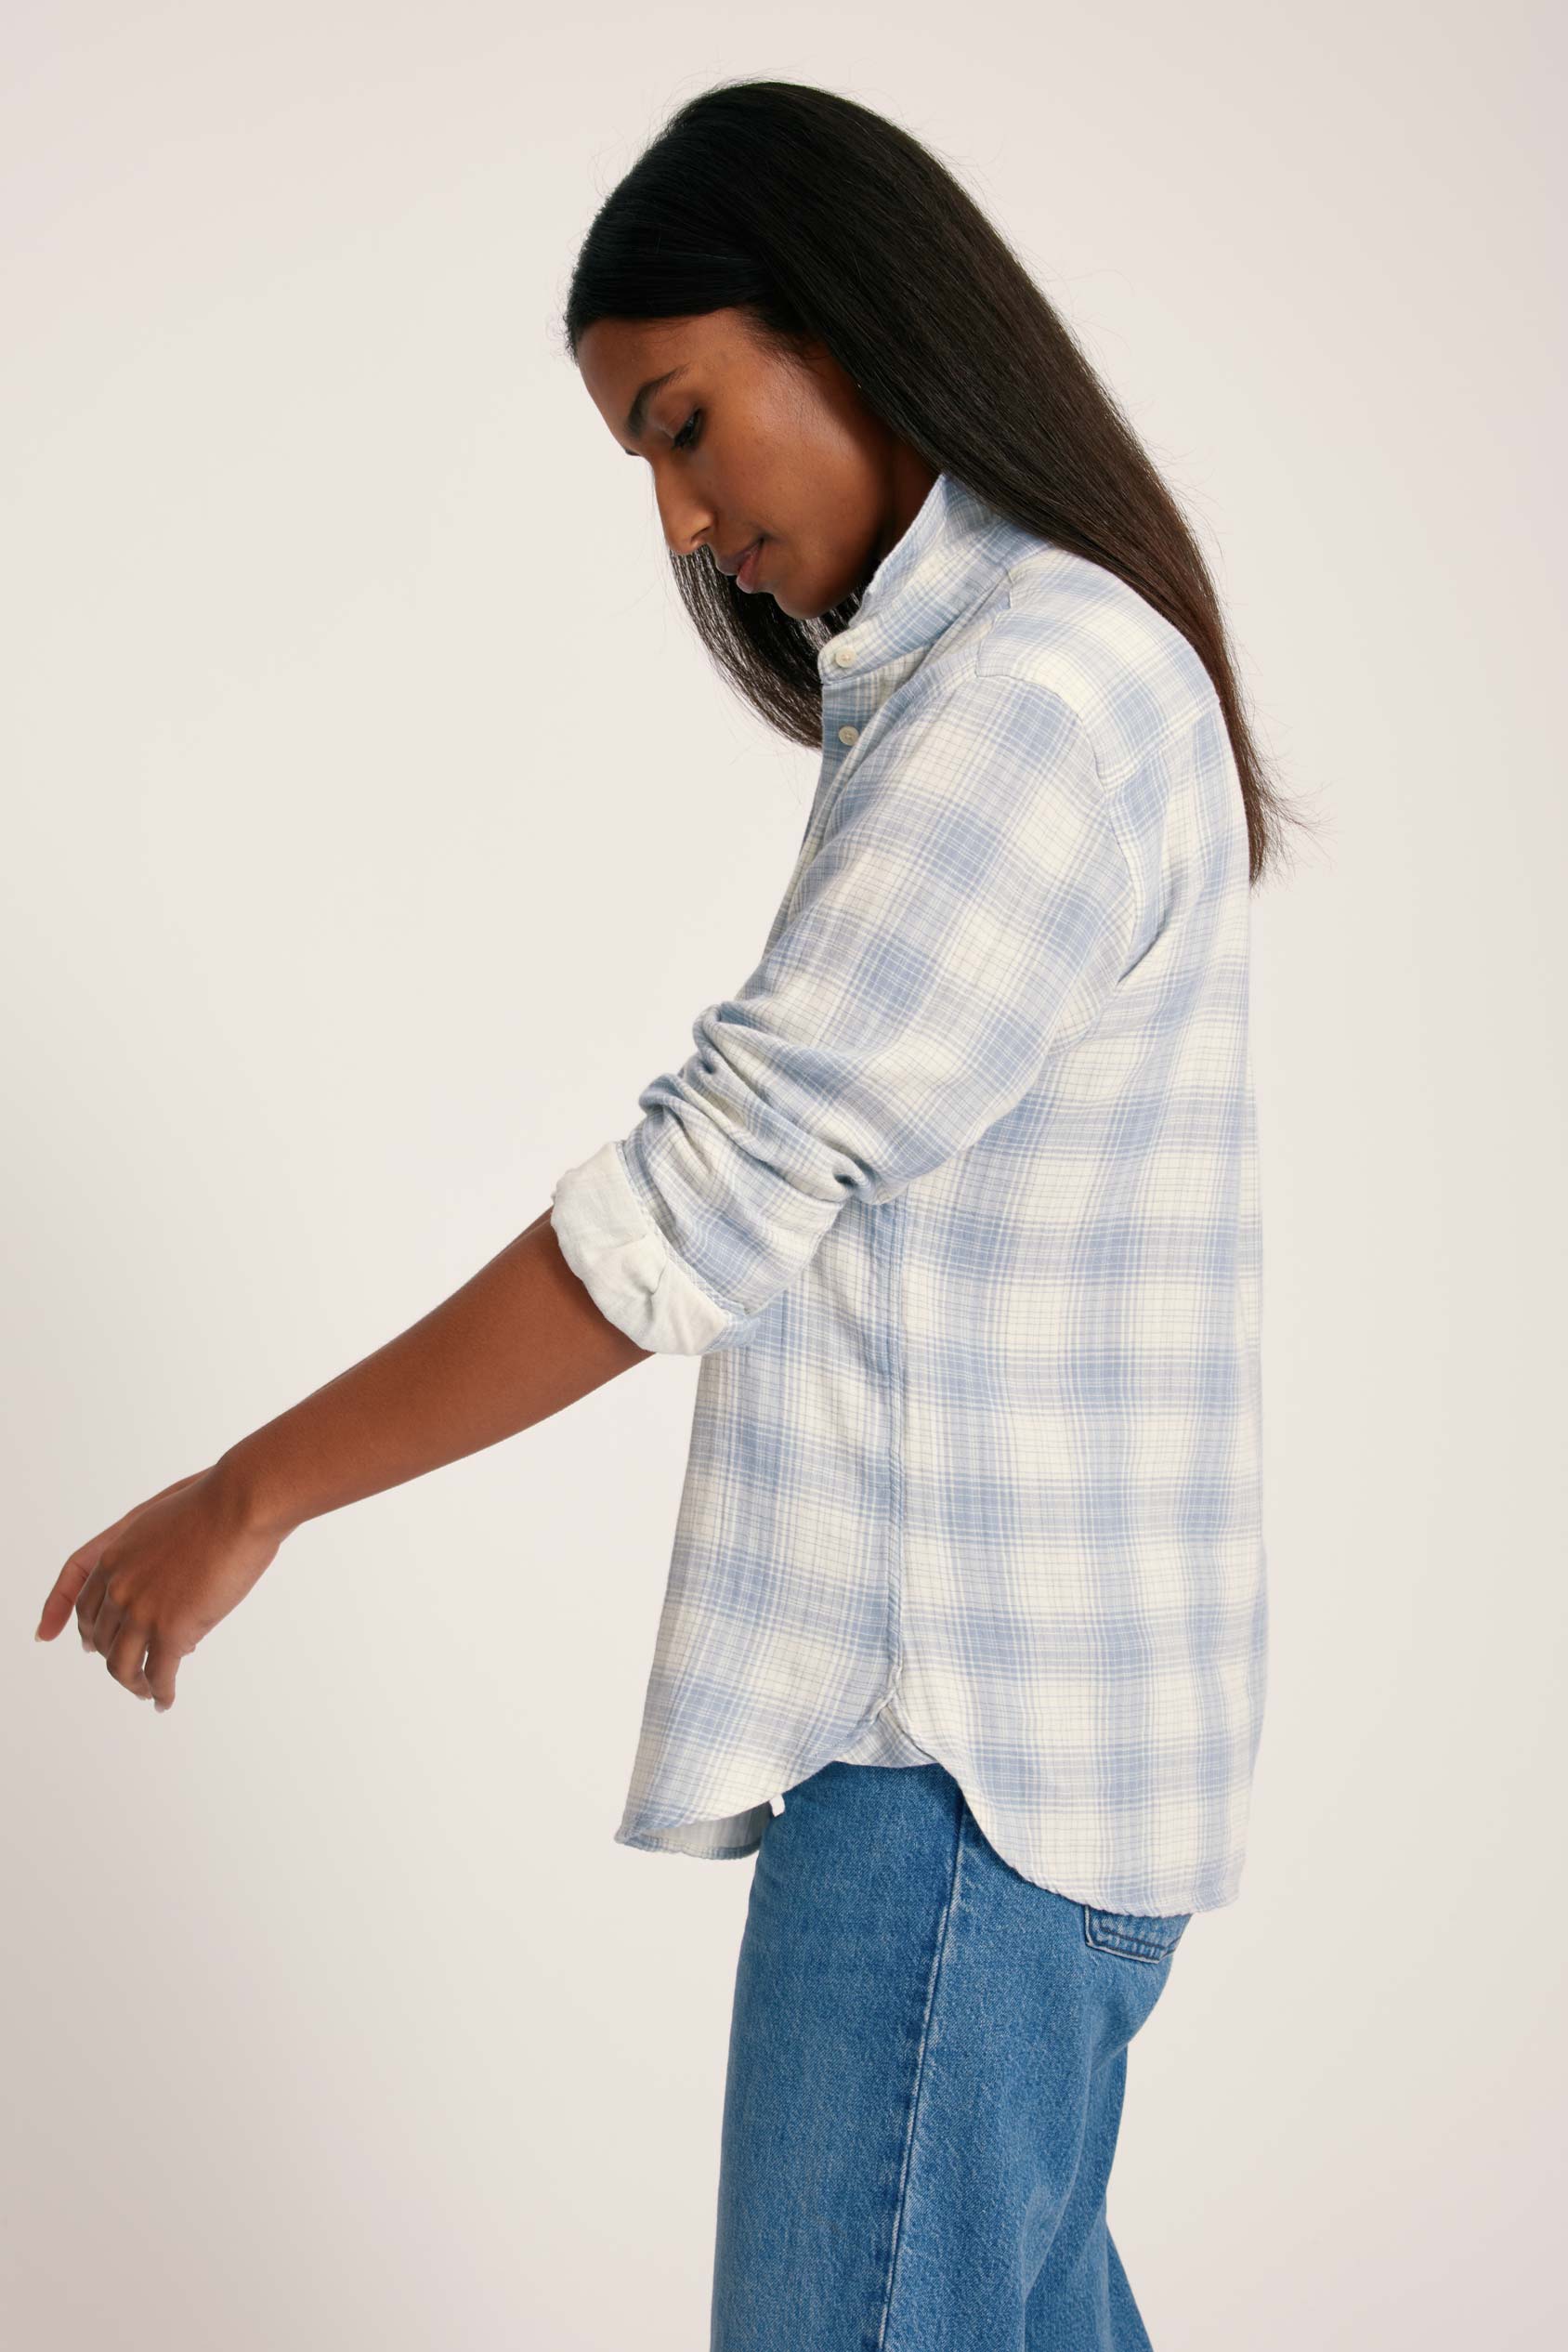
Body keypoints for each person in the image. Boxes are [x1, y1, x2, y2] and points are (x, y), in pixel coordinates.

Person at [35, 76, 1311, 2352]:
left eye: (688, 419)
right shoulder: (1013, 681)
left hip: (956, 1795)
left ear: (858, 326)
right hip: (1032, 1805)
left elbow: (701, 1207)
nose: (680, 511)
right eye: (643, 453)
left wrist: (253, 1495)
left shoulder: (1028, 697)